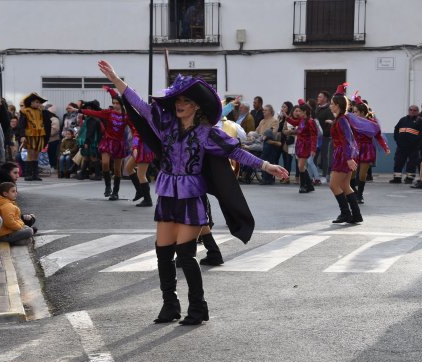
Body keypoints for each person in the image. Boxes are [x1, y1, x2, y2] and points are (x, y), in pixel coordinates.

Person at [98, 60, 288, 325]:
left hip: (190, 196)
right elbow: (139, 105)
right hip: (167, 194)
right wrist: (116, 79)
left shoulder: (207, 133)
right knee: (163, 254)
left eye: (186, 101)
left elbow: (235, 151)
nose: (179, 104)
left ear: (196, 106)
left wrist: (267, 165)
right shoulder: (165, 124)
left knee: (186, 256)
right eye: (178, 100)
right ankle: (169, 305)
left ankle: (197, 308)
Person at [75, 87, 133, 200]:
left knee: (117, 170)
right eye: (113, 103)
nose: (115, 105)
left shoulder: (126, 117)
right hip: (107, 141)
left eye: (117, 103)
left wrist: (137, 140)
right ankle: (107, 187)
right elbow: (95, 113)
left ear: (122, 105)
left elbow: (134, 129)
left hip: (119, 144)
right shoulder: (108, 113)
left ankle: (115, 192)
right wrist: (80, 110)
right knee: (105, 163)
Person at [328, 85, 362, 224]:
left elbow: (347, 139)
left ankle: (345, 214)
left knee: (334, 185)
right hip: (345, 154)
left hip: (343, 155)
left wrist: (348, 158)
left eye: (332, 104)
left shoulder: (342, 120)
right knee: (345, 185)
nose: (330, 106)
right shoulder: (342, 119)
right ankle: (356, 215)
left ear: (338, 105)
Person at [352, 98, 390, 203]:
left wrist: (385, 147)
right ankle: (353, 191)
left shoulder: (371, 123)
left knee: (362, 174)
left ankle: (360, 195)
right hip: (355, 148)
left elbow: (378, 137)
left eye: (356, 111)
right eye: (353, 111)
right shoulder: (352, 122)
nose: (354, 113)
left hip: (367, 148)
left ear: (363, 112)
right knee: (352, 173)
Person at [18, 93, 52, 181]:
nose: (38, 104)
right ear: (31, 102)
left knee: (36, 155)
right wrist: (22, 136)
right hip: (30, 135)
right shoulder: (25, 111)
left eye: (39, 102)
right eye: (36, 102)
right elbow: (21, 125)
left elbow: (47, 121)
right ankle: (28, 174)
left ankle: (35, 174)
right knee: (30, 154)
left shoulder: (41, 111)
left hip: (40, 135)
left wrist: (44, 110)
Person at [390, 105, 422, 184]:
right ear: (408, 111)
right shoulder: (403, 120)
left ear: (417, 112)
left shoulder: (420, 121)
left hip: (413, 147)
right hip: (401, 146)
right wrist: (397, 140)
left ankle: (409, 178)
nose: (412, 111)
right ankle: (397, 178)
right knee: (398, 161)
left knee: (412, 163)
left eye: (415, 110)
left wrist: (416, 142)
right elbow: (396, 129)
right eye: (411, 110)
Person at [294, 101, 318, 193]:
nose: (297, 113)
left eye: (299, 111)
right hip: (300, 145)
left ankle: (303, 185)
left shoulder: (310, 121)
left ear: (304, 112)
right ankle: (309, 185)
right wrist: (286, 117)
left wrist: (313, 148)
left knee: (300, 166)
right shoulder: (302, 120)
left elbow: (314, 136)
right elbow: (294, 122)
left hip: (305, 145)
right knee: (301, 166)